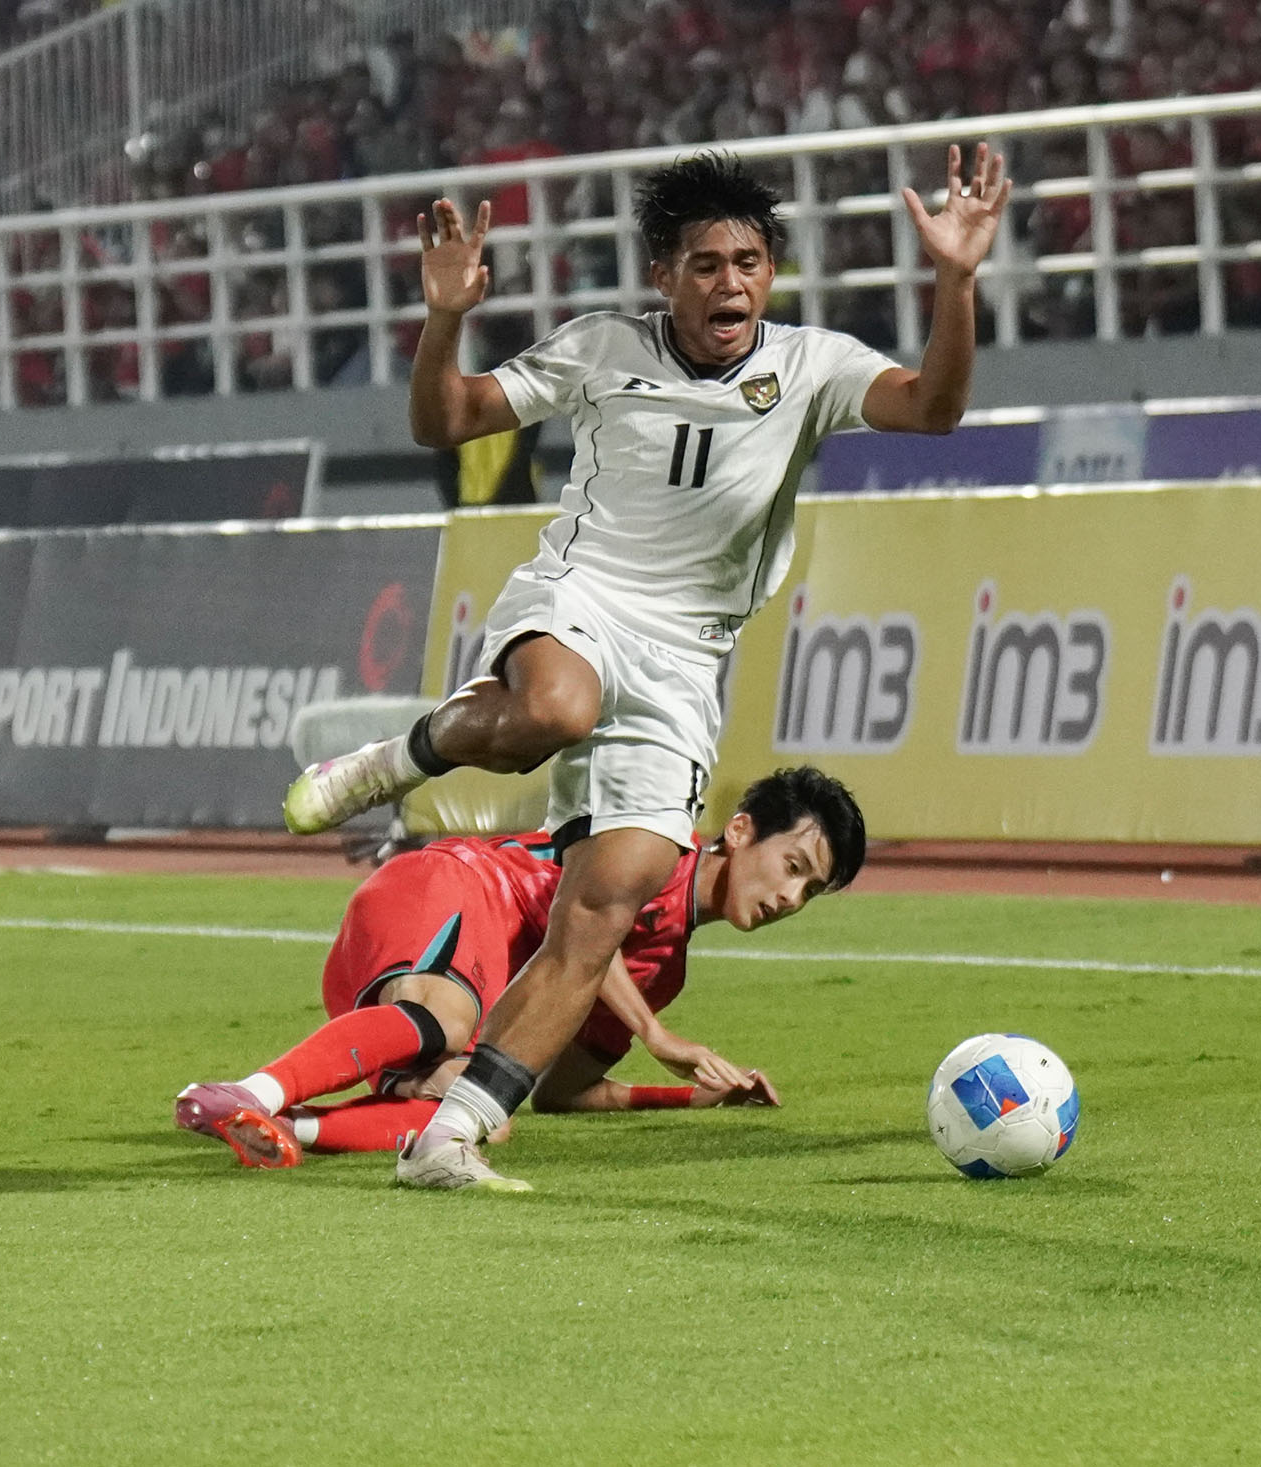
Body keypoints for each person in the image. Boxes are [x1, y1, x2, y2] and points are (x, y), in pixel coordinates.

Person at [281, 146, 1008, 1191]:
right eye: (705, 264)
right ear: (663, 274)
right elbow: (443, 421)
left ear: (772, 271)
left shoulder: (808, 368)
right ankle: (405, 757)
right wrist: (444, 317)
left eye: (749, 262)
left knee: (610, 898)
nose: (731, 284)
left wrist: (958, 277)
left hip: (685, 658)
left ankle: (448, 1139)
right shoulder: (600, 349)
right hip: (582, 599)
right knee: (557, 708)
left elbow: (933, 408)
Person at [177, 768, 866, 1170]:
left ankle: (284, 1125)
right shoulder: (656, 849)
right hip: (448, 889)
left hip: (409, 1002)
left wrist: (697, 1097)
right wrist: (657, 1036)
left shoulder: (666, 965)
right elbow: (588, 922)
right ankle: (245, 1090)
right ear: (741, 830)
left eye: (808, 891)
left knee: (479, 1115)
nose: (789, 897)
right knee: (449, 1020)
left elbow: (562, 1091)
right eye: (794, 867)